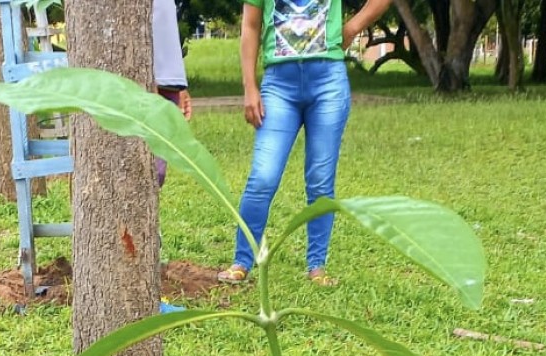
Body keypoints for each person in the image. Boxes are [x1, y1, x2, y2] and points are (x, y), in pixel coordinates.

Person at [217, 0, 387, 286]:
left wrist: (353, 27)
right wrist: (249, 87)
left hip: (328, 84)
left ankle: (317, 267)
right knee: (262, 177)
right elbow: (250, 25)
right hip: (278, 86)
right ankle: (241, 261)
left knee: (320, 181)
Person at [153, 0, 193, 188]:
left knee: (156, 173)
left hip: (167, 80)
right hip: (131, 79)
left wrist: (180, 83)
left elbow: (166, 21)